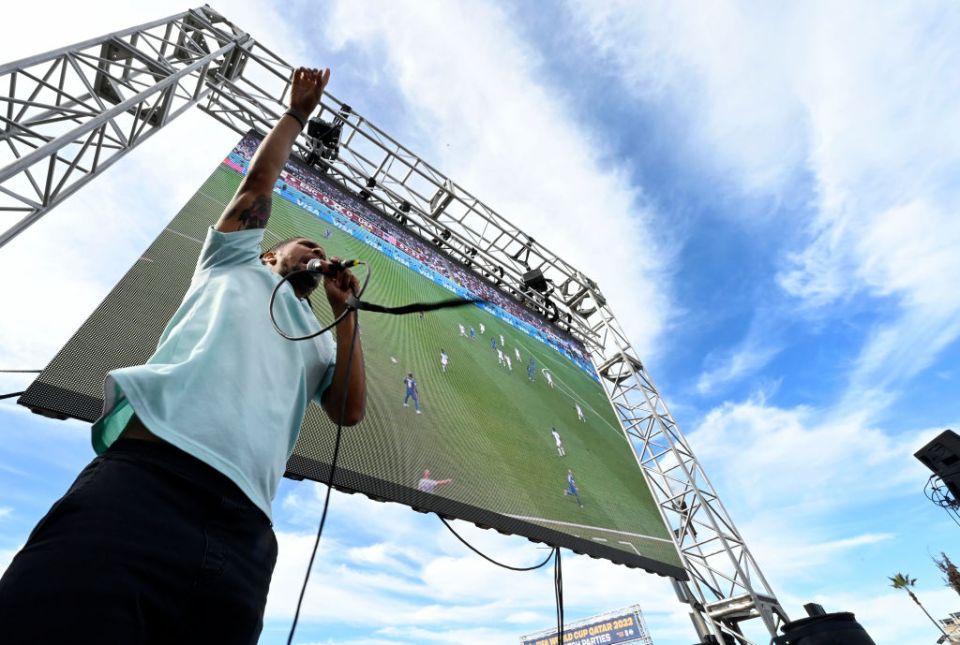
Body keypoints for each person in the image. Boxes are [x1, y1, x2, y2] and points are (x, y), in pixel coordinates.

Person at [0, 67, 366, 644]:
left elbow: (348, 411)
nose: (316, 250)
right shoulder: (233, 264)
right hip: (146, 485)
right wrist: (296, 115)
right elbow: (254, 193)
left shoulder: (318, 339)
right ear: (270, 254)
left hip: (245, 532)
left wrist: (348, 317)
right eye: (303, 244)